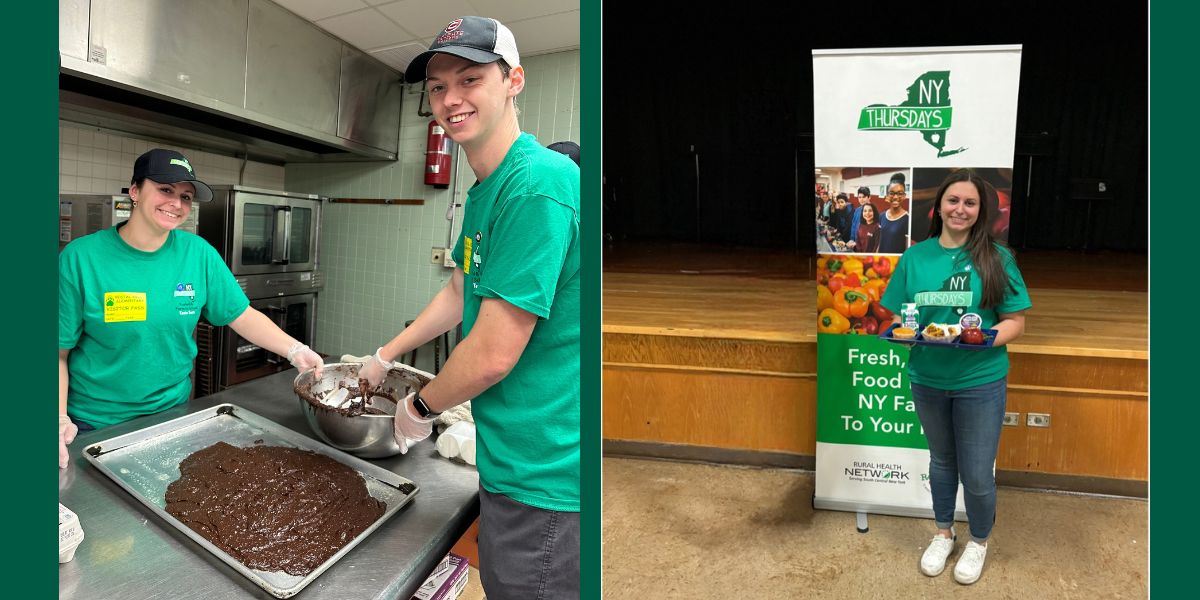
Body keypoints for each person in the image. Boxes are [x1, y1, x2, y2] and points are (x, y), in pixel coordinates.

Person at [357, 16, 580, 600]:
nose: (450, 99)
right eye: (438, 87)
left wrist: (418, 408)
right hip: (509, 459)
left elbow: (493, 354)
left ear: (514, 81)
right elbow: (460, 292)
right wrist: (384, 354)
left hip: (546, 477)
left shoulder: (537, 185)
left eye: (470, 79)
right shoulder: (487, 190)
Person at [58, 148, 325, 468]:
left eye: (185, 196)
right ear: (135, 191)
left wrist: (295, 350)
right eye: (165, 190)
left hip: (172, 415)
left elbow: (241, 315)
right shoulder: (81, 258)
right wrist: (58, 417)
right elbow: (57, 351)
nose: (176, 203)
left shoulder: (198, 253)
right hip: (94, 424)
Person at [880, 169, 1032, 585]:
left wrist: (981, 339)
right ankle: (943, 533)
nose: (960, 209)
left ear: (980, 211)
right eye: (953, 200)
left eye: (970, 202)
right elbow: (899, 316)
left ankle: (979, 540)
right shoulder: (915, 257)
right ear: (939, 207)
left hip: (980, 379)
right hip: (927, 377)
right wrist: (901, 332)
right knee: (942, 461)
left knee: (978, 472)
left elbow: (1015, 322)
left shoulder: (997, 258)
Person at [878, 173, 911, 253]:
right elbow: (879, 242)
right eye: (892, 193)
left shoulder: (907, 219)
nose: (895, 197)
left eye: (900, 193)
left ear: (904, 196)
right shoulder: (882, 216)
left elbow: (907, 250)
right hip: (881, 259)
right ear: (887, 195)